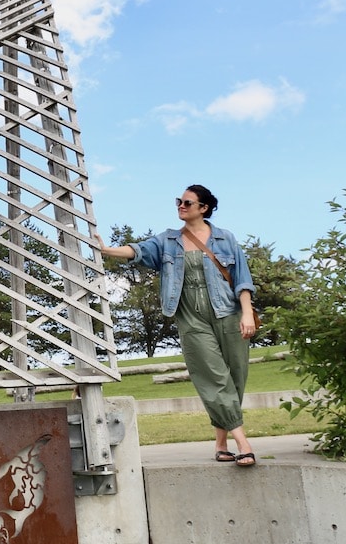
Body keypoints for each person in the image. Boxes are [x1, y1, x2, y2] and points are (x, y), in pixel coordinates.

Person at [96, 185, 259, 467]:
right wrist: (106, 249)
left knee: (234, 379)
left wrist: (246, 313)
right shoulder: (168, 241)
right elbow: (138, 250)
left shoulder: (225, 239)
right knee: (213, 378)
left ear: (203, 208)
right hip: (191, 318)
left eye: (187, 202)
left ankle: (221, 444)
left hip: (229, 314)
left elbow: (242, 279)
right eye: (178, 202)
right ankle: (243, 442)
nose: (180, 206)